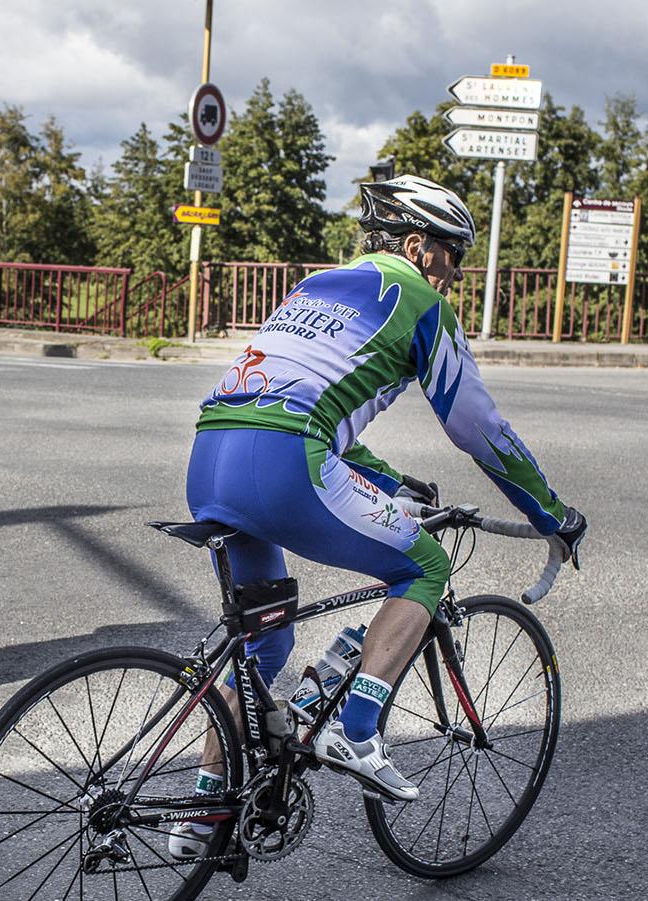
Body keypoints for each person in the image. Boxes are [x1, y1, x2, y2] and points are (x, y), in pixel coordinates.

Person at [171, 174, 586, 856]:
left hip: (210, 454)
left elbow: (300, 399)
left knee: (263, 645)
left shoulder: (316, 286)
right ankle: (356, 725)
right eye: (453, 255)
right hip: (284, 464)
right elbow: (478, 426)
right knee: (424, 565)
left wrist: (393, 482)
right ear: (419, 247)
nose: (455, 273)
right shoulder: (419, 302)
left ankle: (203, 808)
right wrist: (551, 513)